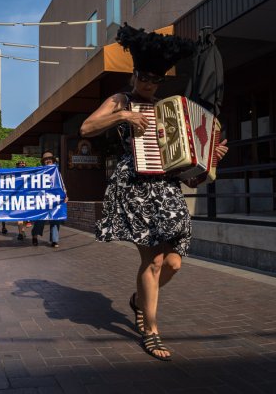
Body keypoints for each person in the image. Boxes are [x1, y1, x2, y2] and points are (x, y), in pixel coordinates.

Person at [79, 24, 228, 361]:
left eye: (156, 80)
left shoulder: (167, 109)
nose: (149, 84)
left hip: (166, 188)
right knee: (154, 260)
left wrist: (209, 159)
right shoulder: (121, 100)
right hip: (134, 186)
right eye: (144, 77)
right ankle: (151, 330)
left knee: (173, 263)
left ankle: (138, 300)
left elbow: (185, 172)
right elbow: (86, 127)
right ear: (134, 74)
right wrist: (124, 115)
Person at [31, 151, 68, 248]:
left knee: (55, 219)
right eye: (46, 159)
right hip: (42, 200)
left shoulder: (57, 173)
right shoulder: (40, 172)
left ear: (53, 160)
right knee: (40, 220)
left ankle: (54, 240)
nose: (48, 160)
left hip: (54, 200)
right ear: (43, 162)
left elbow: (61, 186)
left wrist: (65, 195)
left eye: (49, 159)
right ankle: (34, 236)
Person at [15, 160, 28, 240]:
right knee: (19, 216)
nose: (22, 165)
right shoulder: (14, 174)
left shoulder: (28, 172)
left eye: (23, 164)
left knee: (25, 217)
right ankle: (20, 233)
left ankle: (22, 230)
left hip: (27, 198)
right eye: (20, 164)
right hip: (18, 198)